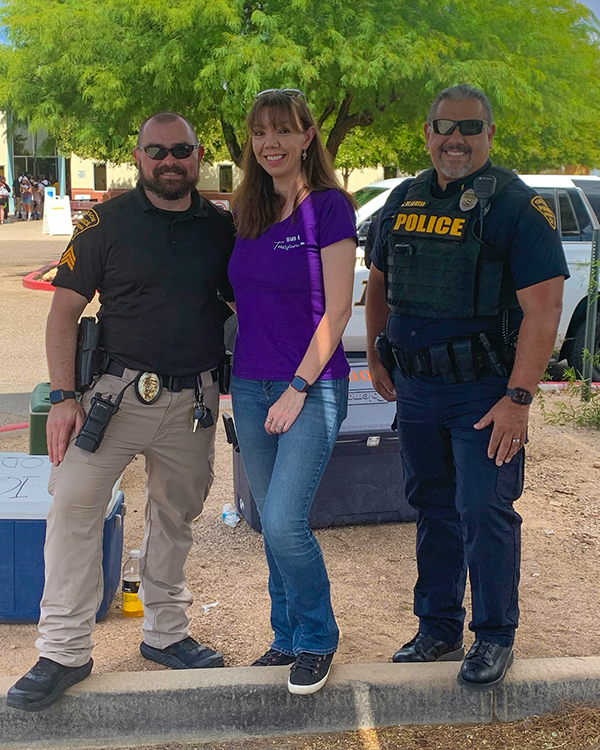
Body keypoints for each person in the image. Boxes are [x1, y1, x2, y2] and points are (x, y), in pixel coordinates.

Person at [7, 111, 236, 712]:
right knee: (75, 505)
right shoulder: (105, 223)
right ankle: (63, 650)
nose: (168, 161)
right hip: (113, 398)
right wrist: (62, 397)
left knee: (176, 517)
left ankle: (165, 633)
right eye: (155, 151)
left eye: (180, 150)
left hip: (194, 401)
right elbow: (64, 312)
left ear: (198, 154)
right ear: (137, 156)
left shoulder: (222, 227)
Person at [365, 84, 568, 691]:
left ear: (489, 134)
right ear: (427, 132)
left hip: (485, 393)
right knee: (432, 507)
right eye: (444, 127)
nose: (455, 139)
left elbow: (544, 311)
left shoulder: (516, 208)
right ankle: (438, 627)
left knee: (485, 511)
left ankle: (494, 636)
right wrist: (379, 354)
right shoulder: (403, 198)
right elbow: (379, 279)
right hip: (420, 390)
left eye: (469, 128)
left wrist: (520, 399)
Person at [228, 89, 357, 695]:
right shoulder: (248, 209)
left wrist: (298, 387)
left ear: (308, 136)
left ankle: (317, 639)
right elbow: (241, 296)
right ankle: (285, 636)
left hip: (311, 385)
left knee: (284, 520)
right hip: (249, 385)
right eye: (259, 133)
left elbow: (336, 310)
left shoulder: (330, 208)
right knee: (264, 522)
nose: (269, 143)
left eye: (282, 131)